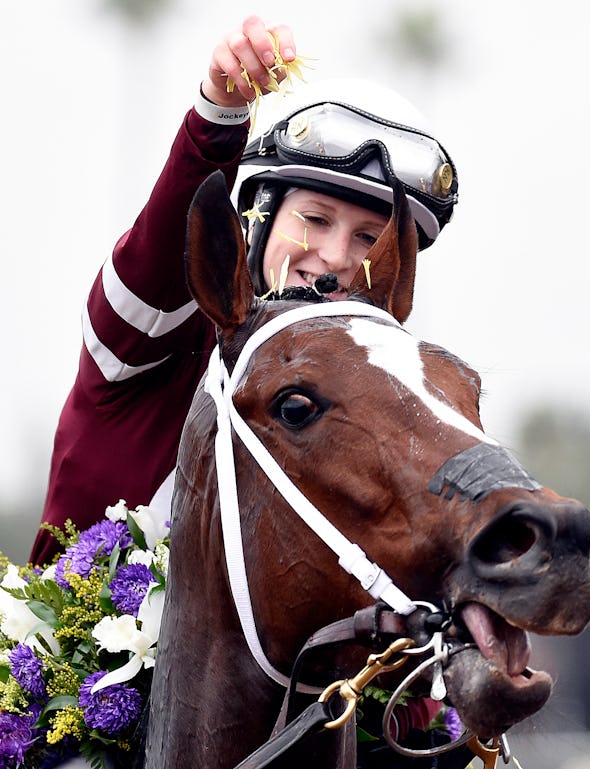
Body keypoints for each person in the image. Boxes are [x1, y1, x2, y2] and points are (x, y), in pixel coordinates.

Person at [29, 15, 458, 566]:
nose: (336, 257)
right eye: (316, 219)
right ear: (258, 220)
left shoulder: (377, 433)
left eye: (368, 238)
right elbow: (172, 237)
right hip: (64, 623)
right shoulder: (156, 335)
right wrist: (221, 112)